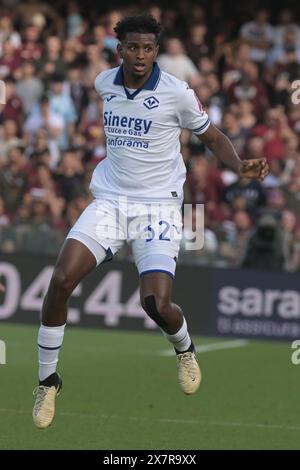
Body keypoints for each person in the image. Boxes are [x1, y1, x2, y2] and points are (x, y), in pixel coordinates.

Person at [32, 14, 269, 429]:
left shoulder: (177, 93)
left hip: (159, 207)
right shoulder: (105, 83)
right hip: (110, 201)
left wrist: (241, 167)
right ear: (119, 49)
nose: (140, 55)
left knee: (155, 304)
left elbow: (212, 136)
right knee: (61, 281)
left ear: (155, 51)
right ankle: (48, 381)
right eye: (132, 47)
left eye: (148, 48)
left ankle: (185, 349)